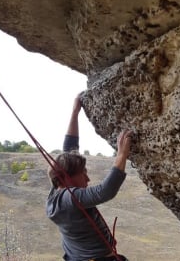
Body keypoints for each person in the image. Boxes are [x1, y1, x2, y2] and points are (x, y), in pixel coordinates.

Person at [46, 94, 131, 261]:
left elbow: (69, 150)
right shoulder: (70, 199)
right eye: (83, 173)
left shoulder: (56, 192)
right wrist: (122, 154)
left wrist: (75, 112)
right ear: (67, 177)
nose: (88, 179)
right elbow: (105, 192)